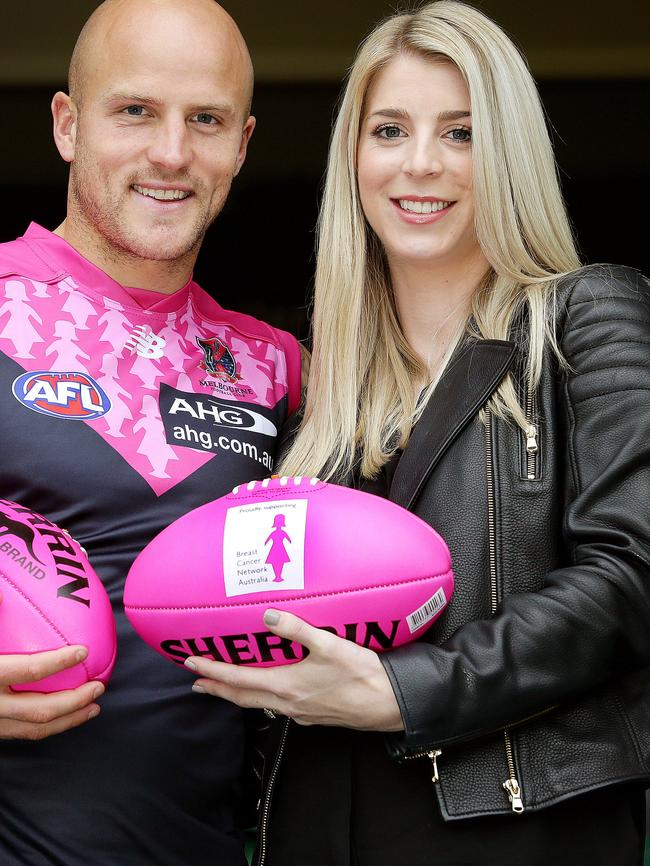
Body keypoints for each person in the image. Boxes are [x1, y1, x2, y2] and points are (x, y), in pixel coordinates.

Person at [185, 2, 650, 864]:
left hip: (514, 826)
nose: (421, 164)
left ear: (507, 154)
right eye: (390, 130)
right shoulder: (319, 394)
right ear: (354, 156)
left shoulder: (587, 320)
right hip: (315, 821)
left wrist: (406, 689)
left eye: (463, 132)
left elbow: (632, 575)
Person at [0, 1, 302, 864]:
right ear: (67, 124)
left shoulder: (275, 366)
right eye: (135, 111)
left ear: (241, 145)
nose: (171, 153)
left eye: (203, 120)